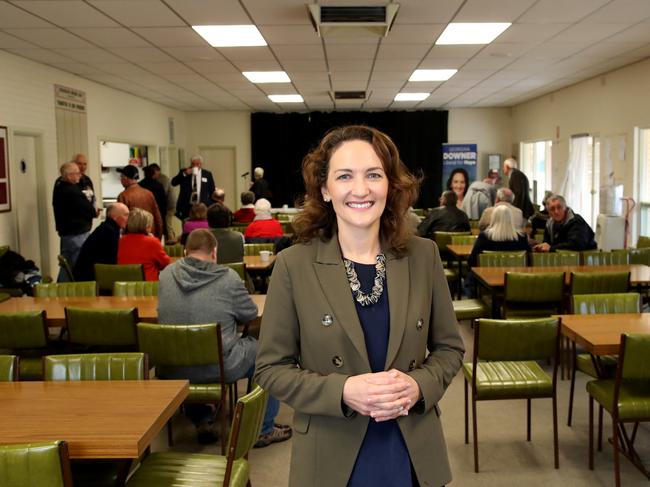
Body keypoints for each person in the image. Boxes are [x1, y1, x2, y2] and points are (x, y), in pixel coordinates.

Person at [255, 125, 464, 487]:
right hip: (331, 450)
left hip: (411, 446)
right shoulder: (293, 265)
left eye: (373, 175)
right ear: (325, 189)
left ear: (390, 184)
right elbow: (271, 368)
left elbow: (449, 347)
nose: (361, 189)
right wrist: (343, 391)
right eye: (345, 176)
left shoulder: (423, 255)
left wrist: (418, 385)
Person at [157, 229, 291, 446]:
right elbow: (249, 313)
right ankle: (262, 429)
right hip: (218, 366)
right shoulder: (228, 279)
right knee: (267, 353)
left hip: (170, 367)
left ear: (184, 251)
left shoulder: (165, 275)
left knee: (188, 348)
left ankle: (202, 418)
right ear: (214, 252)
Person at [465, 205, 530, 297]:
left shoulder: (485, 237)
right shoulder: (522, 238)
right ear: (511, 219)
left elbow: (472, 261)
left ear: (493, 218)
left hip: (486, 283)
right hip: (515, 282)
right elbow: (529, 261)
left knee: (468, 280)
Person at [52, 162, 96, 282]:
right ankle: (82, 292)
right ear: (68, 175)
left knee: (66, 265)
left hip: (65, 233)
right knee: (79, 265)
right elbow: (91, 211)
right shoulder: (73, 191)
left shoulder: (58, 186)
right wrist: (94, 210)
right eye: (76, 173)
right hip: (77, 233)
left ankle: (60, 291)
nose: (80, 176)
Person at [73, 203, 130, 281]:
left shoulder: (105, 228)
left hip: (84, 276)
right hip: (90, 280)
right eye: (126, 215)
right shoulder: (110, 232)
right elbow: (112, 262)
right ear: (115, 217)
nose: (128, 219)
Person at [117, 208, 170, 281]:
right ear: (147, 227)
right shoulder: (152, 242)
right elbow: (166, 264)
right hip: (148, 287)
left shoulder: (121, 240)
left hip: (125, 286)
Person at [116, 165, 164, 239]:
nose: (121, 179)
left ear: (125, 178)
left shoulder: (123, 196)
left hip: (132, 238)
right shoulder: (148, 193)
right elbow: (158, 218)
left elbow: (121, 221)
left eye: (121, 177)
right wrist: (158, 237)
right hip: (150, 236)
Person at [171, 155, 216, 220]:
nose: (195, 166)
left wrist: (210, 203)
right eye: (193, 164)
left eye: (197, 164)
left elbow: (212, 190)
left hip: (202, 206)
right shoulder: (184, 172)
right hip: (186, 205)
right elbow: (173, 183)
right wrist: (185, 174)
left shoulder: (207, 174)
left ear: (201, 164)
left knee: (202, 225)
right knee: (187, 225)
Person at [139, 164, 168, 239]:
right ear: (154, 174)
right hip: (156, 215)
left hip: (143, 215)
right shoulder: (158, 186)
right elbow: (163, 203)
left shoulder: (140, 185)